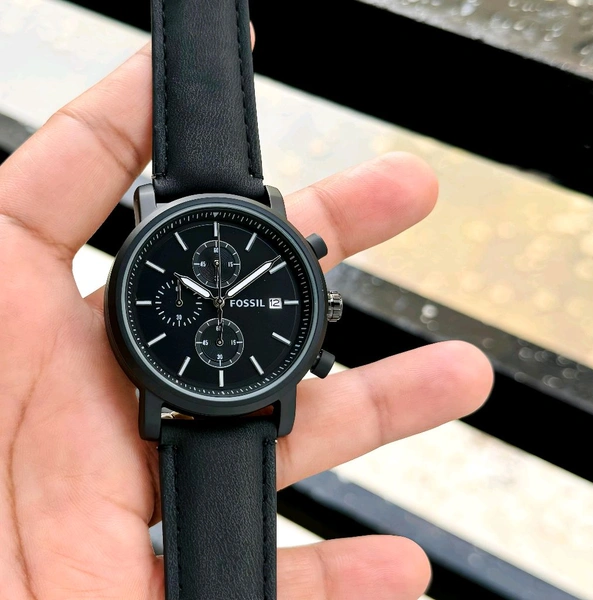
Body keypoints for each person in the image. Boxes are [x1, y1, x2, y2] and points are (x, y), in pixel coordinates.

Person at [0, 36, 493, 599]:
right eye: (203, 296)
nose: (219, 303)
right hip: (184, 389)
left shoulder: (181, 222)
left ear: (321, 309)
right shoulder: (160, 219)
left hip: (227, 389)